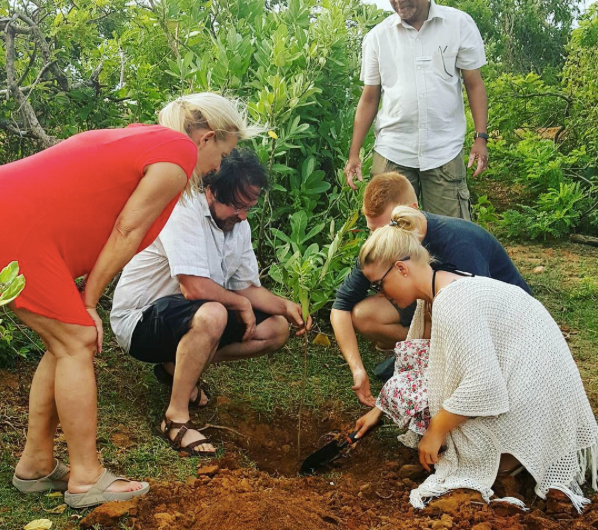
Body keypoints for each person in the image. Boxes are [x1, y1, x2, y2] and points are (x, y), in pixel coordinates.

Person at [2, 92, 252, 508]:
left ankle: (36, 465)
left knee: (63, 342)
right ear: (207, 138)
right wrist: (88, 302)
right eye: (224, 154)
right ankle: (87, 477)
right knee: (77, 339)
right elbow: (126, 231)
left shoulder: (149, 140)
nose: (218, 167)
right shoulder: (178, 155)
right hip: (16, 227)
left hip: (19, 222)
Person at [353, 206, 598, 512]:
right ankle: (501, 458)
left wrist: (436, 431)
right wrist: (380, 409)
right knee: (412, 391)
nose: (379, 294)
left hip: (539, 395)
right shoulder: (438, 290)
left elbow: (485, 385)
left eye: (378, 284)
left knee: (470, 468)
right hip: (519, 381)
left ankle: (512, 461)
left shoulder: (453, 300)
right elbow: (422, 364)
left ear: (402, 269)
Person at [111, 148, 312, 456]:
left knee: (276, 328)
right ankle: (175, 419)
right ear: (211, 190)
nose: (243, 216)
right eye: (237, 206)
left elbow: (245, 287)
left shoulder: (238, 227)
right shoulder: (183, 209)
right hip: (141, 321)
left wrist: (286, 306)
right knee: (215, 312)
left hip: (189, 317)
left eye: (249, 207)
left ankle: (176, 367)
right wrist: (241, 305)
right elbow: (192, 288)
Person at [331, 172, 531, 407]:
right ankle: (418, 353)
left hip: (505, 327)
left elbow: (480, 323)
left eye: (385, 228)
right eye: (372, 231)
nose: (378, 238)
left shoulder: (460, 243)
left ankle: (425, 357)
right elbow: (341, 306)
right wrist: (357, 369)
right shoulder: (382, 246)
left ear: (411, 210)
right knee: (364, 314)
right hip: (445, 311)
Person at [344, 0, 489, 220]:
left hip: (443, 153)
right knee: (392, 240)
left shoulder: (459, 24)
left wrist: (481, 138)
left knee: (452, 237)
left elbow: (474, 84)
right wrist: (354, 154)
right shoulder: (377, 38)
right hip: (392, 152)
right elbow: (369, 98)